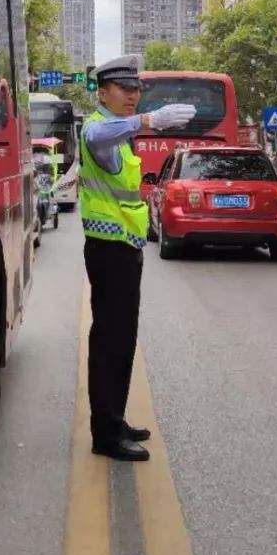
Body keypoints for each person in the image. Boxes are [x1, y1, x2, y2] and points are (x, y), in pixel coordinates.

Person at [79, 54, 196, 462]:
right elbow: (97, 138)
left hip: (123, 249)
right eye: (124, 89)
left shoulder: (117, 132)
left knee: (122, 339)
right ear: (102, 91)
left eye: (137, 90)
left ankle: (114, 418)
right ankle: (106, 434)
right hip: (108, 251)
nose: (133, 96)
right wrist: (148, 121)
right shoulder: (98, 128)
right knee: (111, 341)